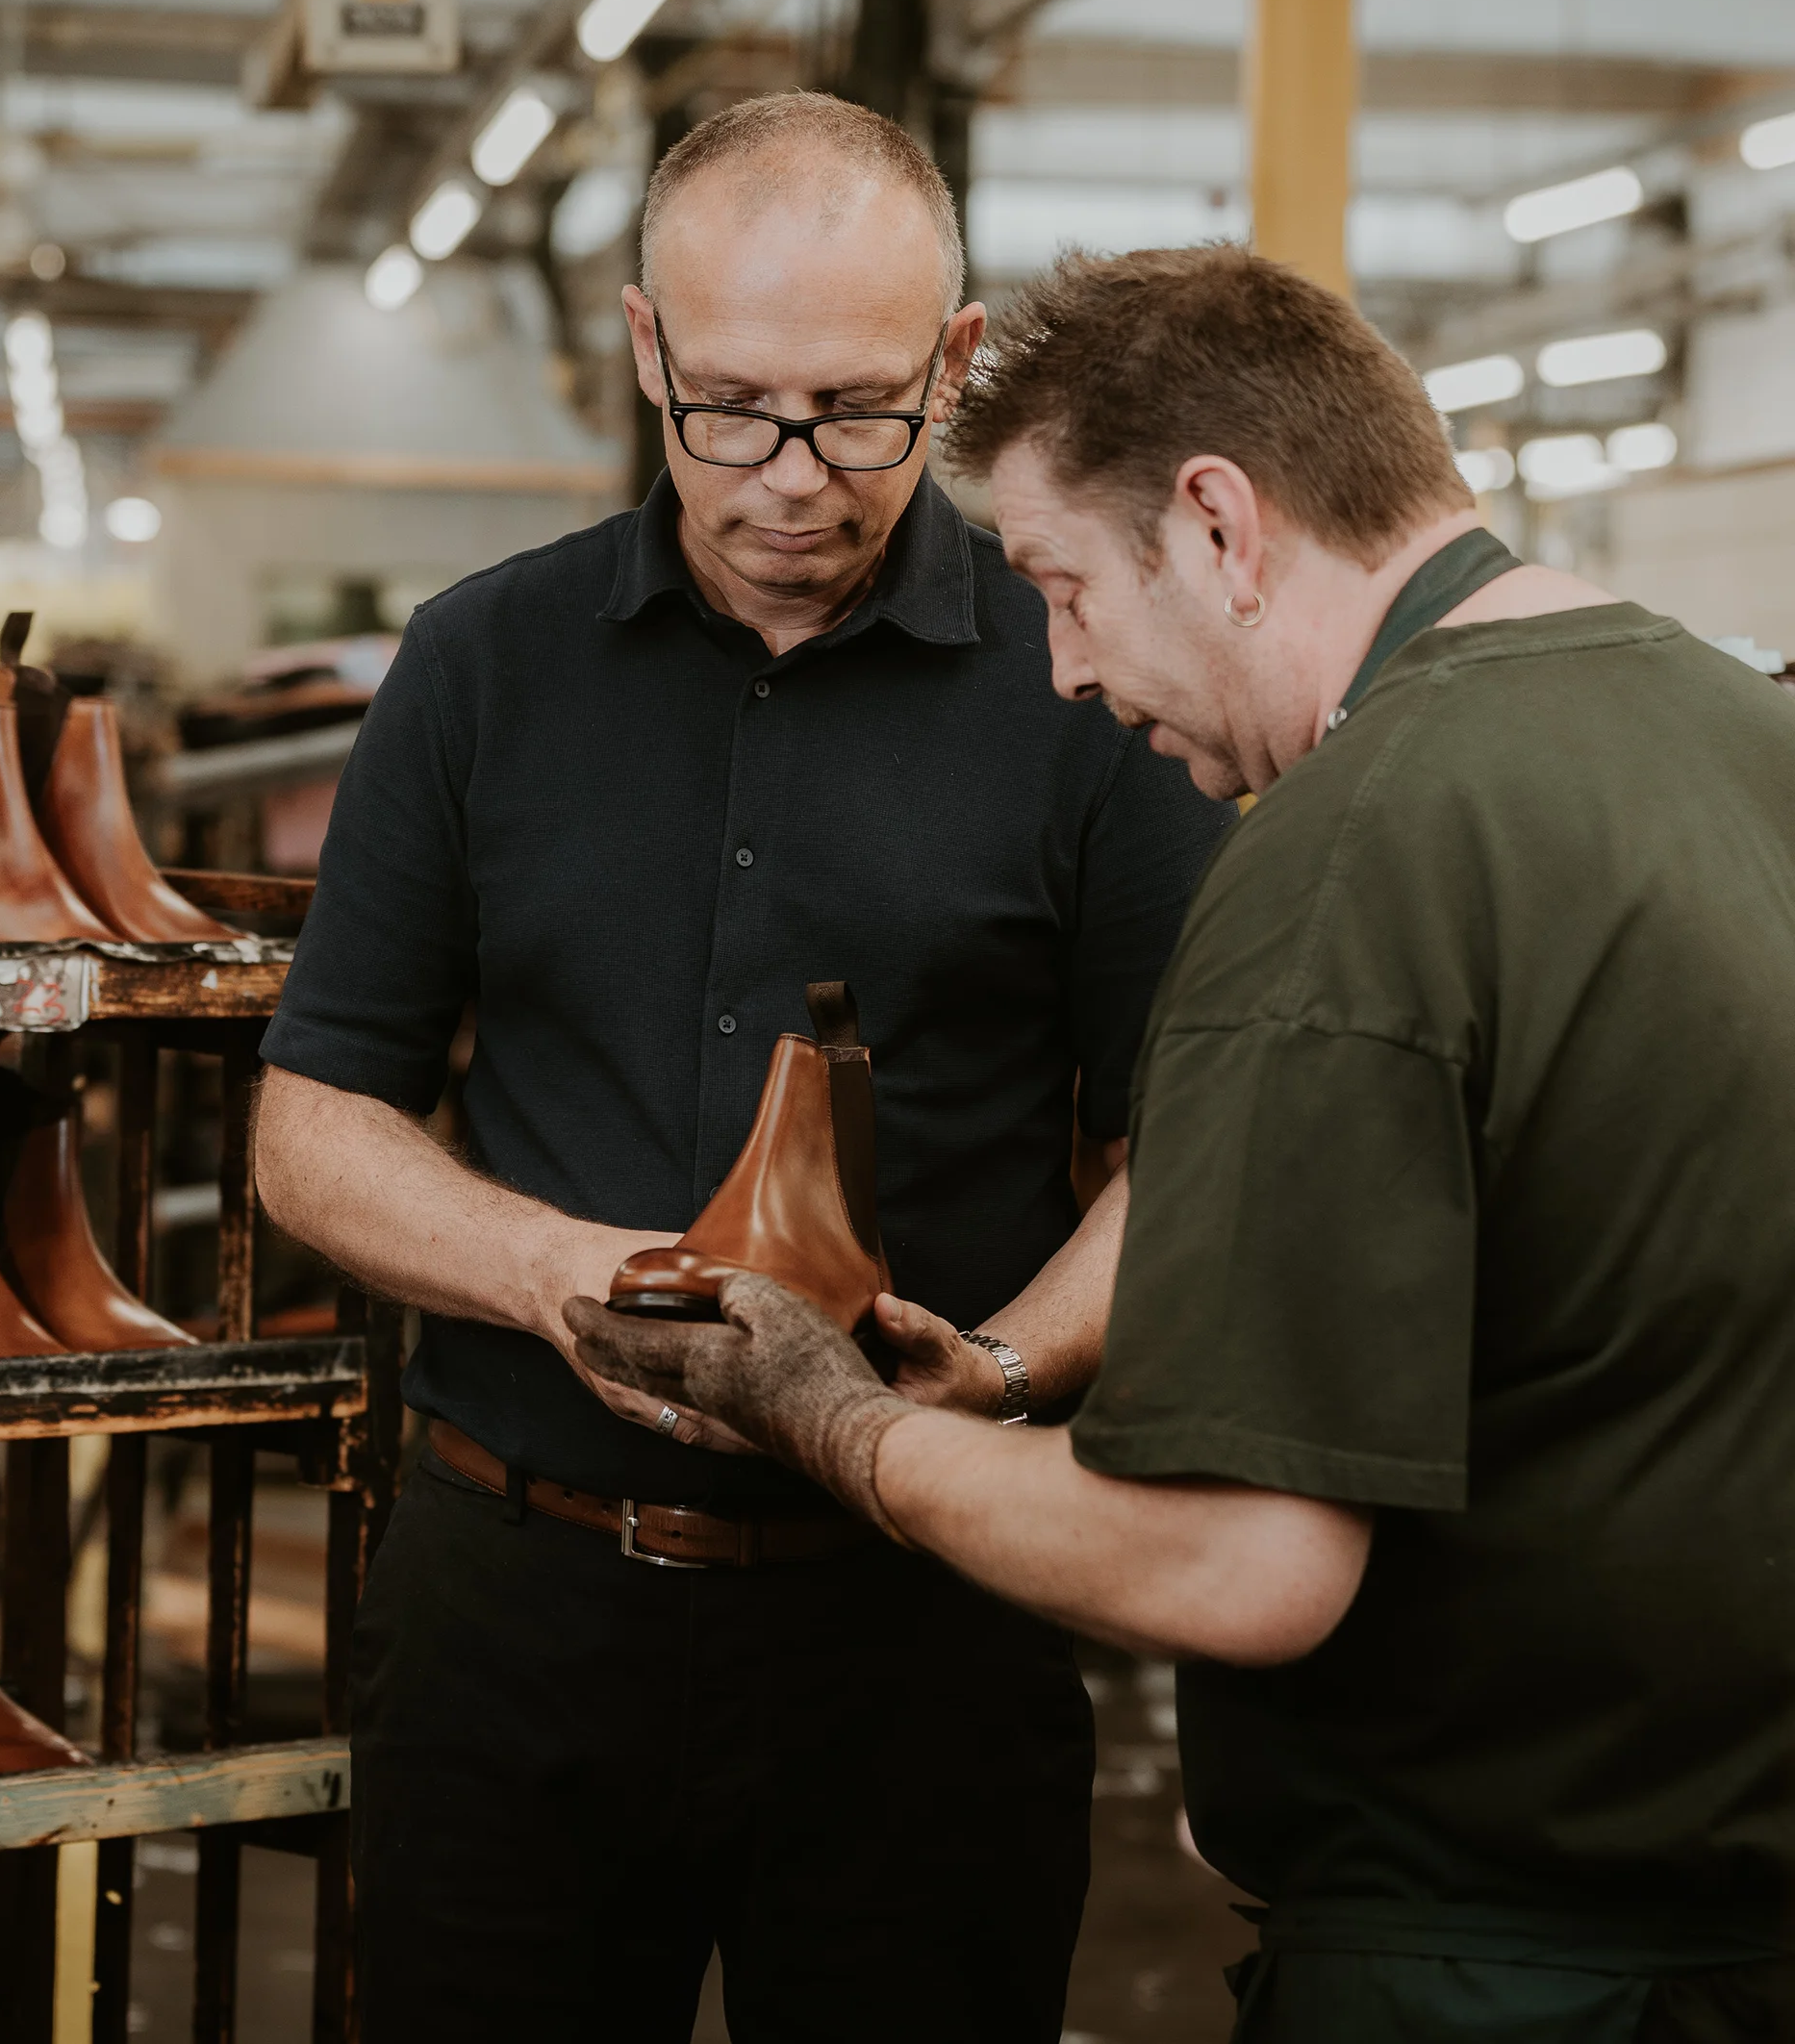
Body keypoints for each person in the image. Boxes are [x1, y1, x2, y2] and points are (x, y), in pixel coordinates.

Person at [569, 244, 1795, 2043]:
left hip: (1499, 1964)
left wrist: (829, 1416)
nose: (1059, 669)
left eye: (1063, 584)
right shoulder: (1741, 736)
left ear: (1218, 523)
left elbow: (1238, 1562)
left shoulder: (1344, 858)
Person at [253, 97, 1231, 2043]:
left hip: (919, 1621)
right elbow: (314, 1118)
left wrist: (1006, 1367)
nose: (790, 472)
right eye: (731, 405)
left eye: (860, 411)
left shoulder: (1087, 698)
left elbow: (1187, 1152)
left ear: (954, 369)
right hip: (516, 1616)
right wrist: (565, 1277)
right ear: (643, 350)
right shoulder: (478, 666)